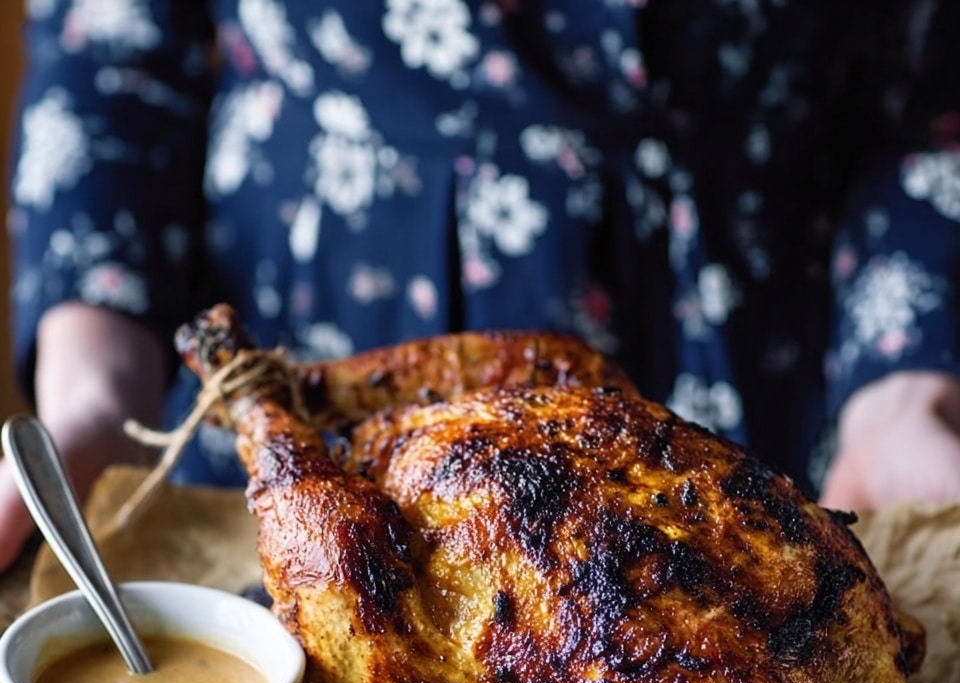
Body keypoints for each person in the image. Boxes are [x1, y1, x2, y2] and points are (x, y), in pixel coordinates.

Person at [3, 1, 960, 575]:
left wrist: (908, 393)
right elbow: (111, 48)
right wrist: (97, 395)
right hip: (306, 377)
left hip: (775, 378)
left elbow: (938, 80)